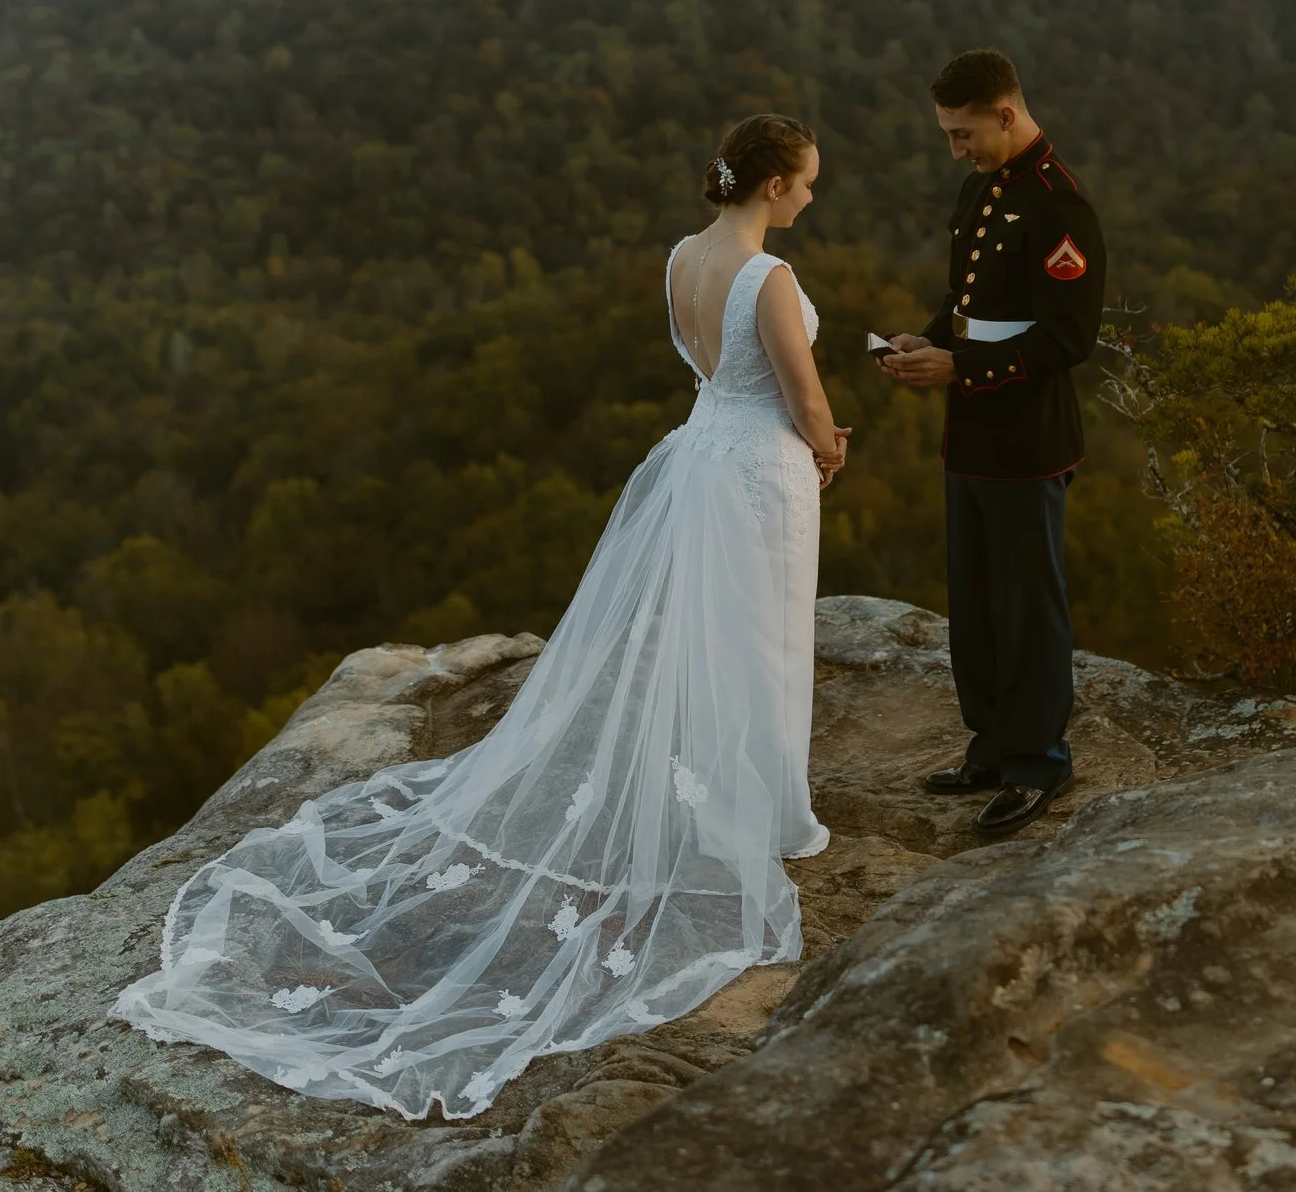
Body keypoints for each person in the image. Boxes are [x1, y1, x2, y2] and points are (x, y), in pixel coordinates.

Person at [113, 114, 848, 1121]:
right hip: (761, 469)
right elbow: (803, 396)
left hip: (696, 456)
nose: (810, 198)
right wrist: (831, 444)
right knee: (757, 642)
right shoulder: (768, 278)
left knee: (710, 640)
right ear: (770, 185)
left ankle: (734, 801)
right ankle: (764, 813)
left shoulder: (683, 256)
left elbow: (708, 368)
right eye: (804, 184)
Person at [882, 49, 1105, 835]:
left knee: (1026, 604)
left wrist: (962, 363)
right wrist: (929, 338)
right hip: (970, 431)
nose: (957, 150)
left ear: (1006, 114)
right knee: (974, 602)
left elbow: (1070, 337)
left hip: (1028, 436)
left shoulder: (1059, 206)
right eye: (948, 134)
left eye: (964, 132)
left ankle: (1039, 761)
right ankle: (990, 747)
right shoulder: (984, 188)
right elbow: (964, 297)